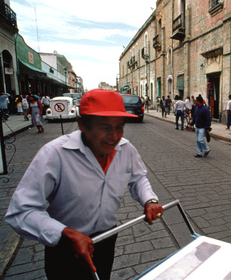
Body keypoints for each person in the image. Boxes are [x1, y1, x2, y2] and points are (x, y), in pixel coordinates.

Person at [5, 89, 163, 280]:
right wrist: (64, 234)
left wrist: (150, 199)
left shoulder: (126, 149)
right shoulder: (54, 154)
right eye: (104, 127)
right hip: (66, 249)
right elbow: (21, 211)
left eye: (119, 127)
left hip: (106, 240)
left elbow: (138, 178)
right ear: (82, 124)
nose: (114, 136)